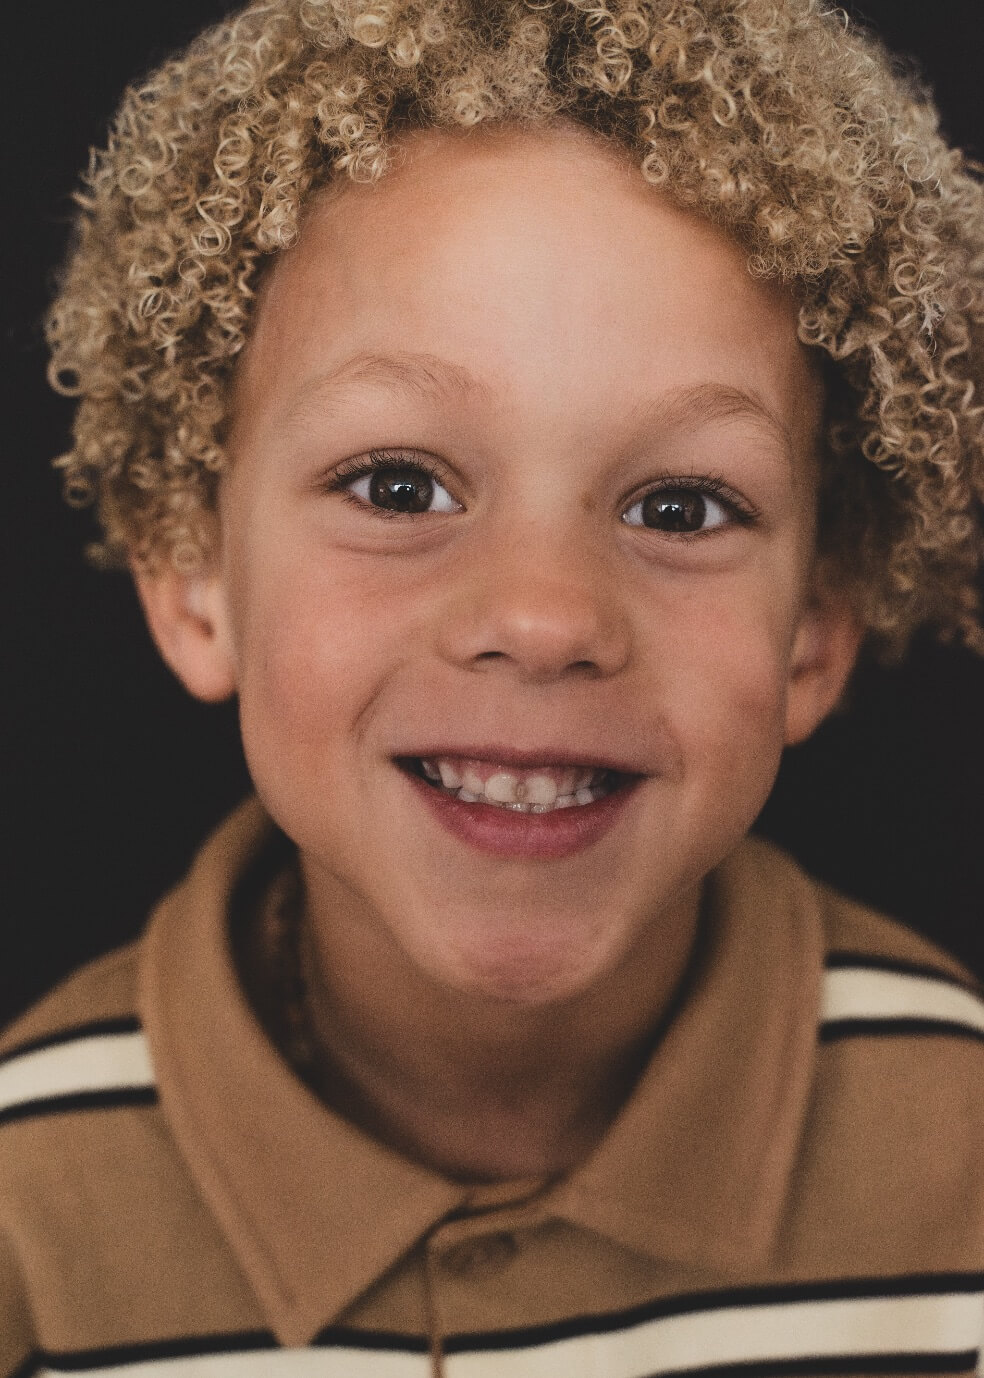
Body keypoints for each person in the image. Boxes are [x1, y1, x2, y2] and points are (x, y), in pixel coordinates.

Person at [3, 1, 984, 1374]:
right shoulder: (28, 1216)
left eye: (682, 506)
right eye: (399, 487)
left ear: (815, 628)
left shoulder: (960, 1159)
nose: (543, 617)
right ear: (193, 572)